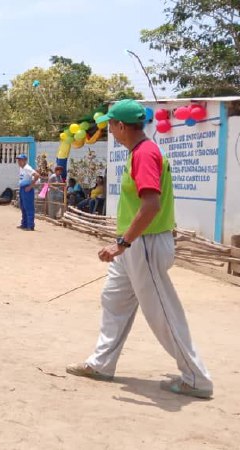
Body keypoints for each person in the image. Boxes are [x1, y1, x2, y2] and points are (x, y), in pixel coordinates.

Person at [66, 99, 213, 399]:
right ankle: (101, 364)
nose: (112, 132)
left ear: (121, 126)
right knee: (114, 299)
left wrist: (122, 243)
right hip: (135, 244)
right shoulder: (142, 151)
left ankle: (196, 378)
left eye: (112, 126)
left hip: (143, 243)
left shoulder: (144, 154)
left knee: (162, 312)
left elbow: (150, 205)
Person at [16, 154, 39, 231]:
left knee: (29, 207)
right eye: (18, 160)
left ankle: (30, 226)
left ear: (25, 160)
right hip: (22, 188)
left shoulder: (27, 168)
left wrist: (30, 186)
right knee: (23, 207)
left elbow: (37, 175)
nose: (19, 161)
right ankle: (24, 224)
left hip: (27, 189)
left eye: (21, 160)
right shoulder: (21, 168)